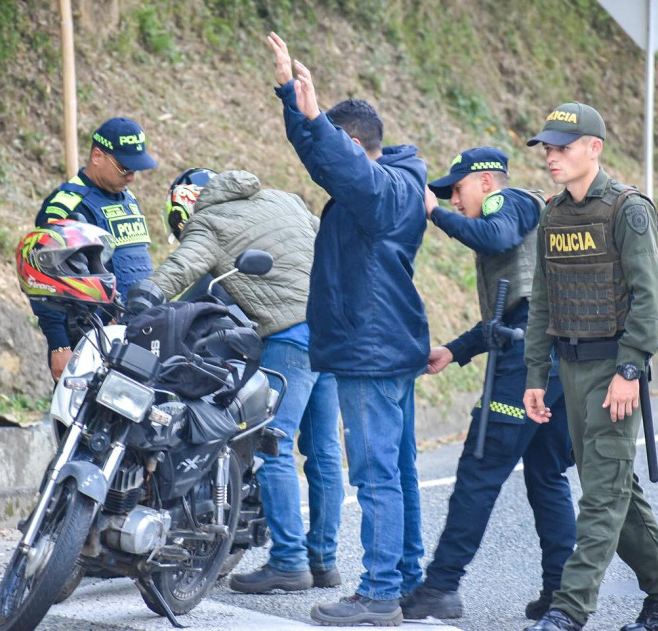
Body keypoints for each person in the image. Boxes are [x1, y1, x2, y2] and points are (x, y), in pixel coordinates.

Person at [266, 32, 429, 627]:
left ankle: (381, 593)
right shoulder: (391, 181)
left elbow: (347, 172)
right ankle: (407, 580)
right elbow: (322, 160)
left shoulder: (386, 189)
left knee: (377, 474)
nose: (327, 162)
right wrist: (291, 96)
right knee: (398, 469)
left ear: (356, 145)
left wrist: (314, 116)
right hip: (386, 346)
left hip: (371, 351)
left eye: (337, 144)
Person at [522, 102, 658, 631]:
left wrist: (629, 371)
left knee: (601, 494)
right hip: (570, 370)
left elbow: (649, 298)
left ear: (593, 149)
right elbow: (543, 305)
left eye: (563, 147)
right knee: (614, 485)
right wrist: (535, 375)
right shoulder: (553, 214)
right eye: (547, 148)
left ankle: (568, 612)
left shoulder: (628, 210)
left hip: (614, 367)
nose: (552, 157)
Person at [148, 168, 345, 593]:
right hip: (331, 331)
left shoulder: (210, 222)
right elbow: (330, 246)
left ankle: (289, 562)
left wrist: (144, 296)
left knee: (272, 446)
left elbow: (184, 268)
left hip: (289, 338)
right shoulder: (282, 198)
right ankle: (324, 561)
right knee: (324, 450)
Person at [400, 147, 576, 622]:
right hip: (564, 359)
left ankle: (440, 587)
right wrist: (454, 351)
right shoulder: (530, 219)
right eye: (445, 195)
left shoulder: (507, 202)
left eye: (456, 190)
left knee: (481, 467)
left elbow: (495, 238)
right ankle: (561, 594)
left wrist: (432, 213)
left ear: (484, 182)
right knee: (545, 474)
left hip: (530, 364)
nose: (453, 200)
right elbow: (513, 311)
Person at [32, 117, 157, 381]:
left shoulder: (127, 199)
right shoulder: (66, 206)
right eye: (125, 168)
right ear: (97, 156)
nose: (132, 177)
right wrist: (60, 345)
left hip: (133, 331)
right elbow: (43, 281)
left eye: (136, 169)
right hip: (89, 337)